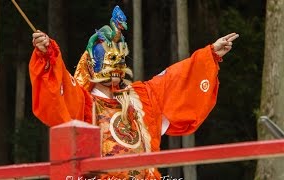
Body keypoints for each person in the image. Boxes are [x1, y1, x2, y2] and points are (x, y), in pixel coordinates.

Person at [29, 6, 239, 179]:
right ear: (91, 66)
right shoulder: (84, 104)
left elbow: (175, 79)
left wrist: (209, 55)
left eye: (120, 59)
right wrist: (48, 55)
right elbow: (59, 90)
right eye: (110, 59)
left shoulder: (142, 98)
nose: (116, 66)